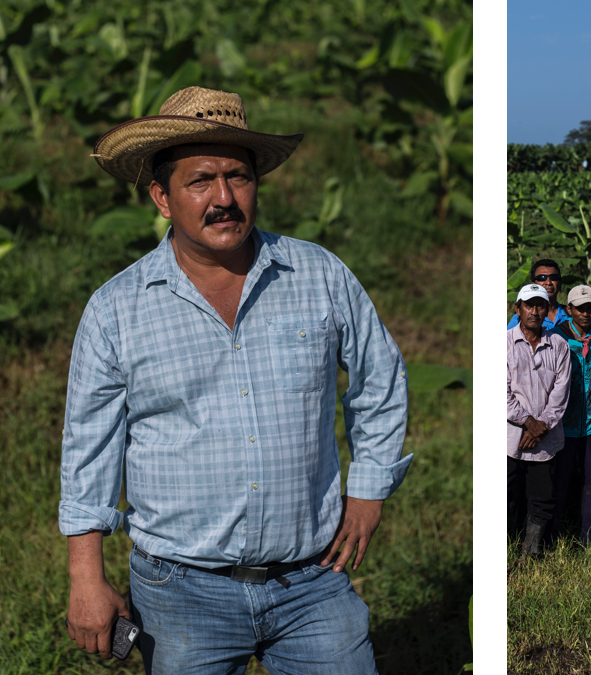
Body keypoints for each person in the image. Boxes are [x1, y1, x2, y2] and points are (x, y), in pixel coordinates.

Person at [60, 87, 412, 673]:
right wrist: (86, 578)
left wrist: (370, 487)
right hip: (179, 590)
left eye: (238, 177)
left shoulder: (318, 274)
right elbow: (88, 449)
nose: (224, 198)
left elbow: (379, 380)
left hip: (311, 580)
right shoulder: (116, 309)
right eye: (201, 181)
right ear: (161, 197)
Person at [546, 284, 591, 546]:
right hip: (562, 425)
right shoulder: (555, 338)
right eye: (581, 308)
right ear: (569, 309)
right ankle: (552, 538)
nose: (586, 313)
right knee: (558, 483)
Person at [507, 283, 571, 556]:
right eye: (529, 305)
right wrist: (527, 422)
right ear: (517, 309)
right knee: (507, 496)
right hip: (511, 438)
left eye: (540, 306)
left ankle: (531, 551)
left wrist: (542, 424)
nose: (534, 311)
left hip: (545, 439)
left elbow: (561, 388)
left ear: (547, 310)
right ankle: (507, 547)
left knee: (542, 497)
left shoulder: (558, 345)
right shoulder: (502, 344)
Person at [507, 259, 570, 331]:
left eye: (553, 277)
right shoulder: (520, 319)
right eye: (542, 278)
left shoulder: (571, 314)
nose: (548, 282)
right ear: (533, 284)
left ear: (560, 284)